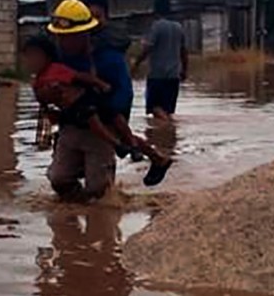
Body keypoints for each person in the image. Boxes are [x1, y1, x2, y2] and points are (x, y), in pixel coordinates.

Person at [23, 35, 171, 186]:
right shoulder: (58, 62)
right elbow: (46, 101)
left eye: (70, 37)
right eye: (61, 37)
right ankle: (148, 155)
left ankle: (134, 151)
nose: (65, 42)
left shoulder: (106, 57)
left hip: (97, 107)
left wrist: (104, 93)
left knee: (110, 131)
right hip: (75, 117)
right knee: (61, 179)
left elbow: (121, 90)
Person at [133, 0, 188, 120]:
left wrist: (136, 63)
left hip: (157, 76)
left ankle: (167, 128)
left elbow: (148, 48)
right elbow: (184, 51)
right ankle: (168, 136)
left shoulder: (157, 26)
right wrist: (184, 70)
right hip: (174, 76)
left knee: (155, 108)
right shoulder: (178, 27)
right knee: (167, 110)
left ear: (155, 10)